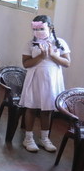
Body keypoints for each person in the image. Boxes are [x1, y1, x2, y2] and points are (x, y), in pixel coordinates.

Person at [19, 15, 70, 153]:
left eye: (42, 28)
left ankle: (44, 138)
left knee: (47, 110)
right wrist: (41, 56)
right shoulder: (30, 44)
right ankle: (28, 138)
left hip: (51, 80)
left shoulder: (59, 43)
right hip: (35, 78)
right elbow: (26, 63)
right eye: (35, 29)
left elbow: (66, 63)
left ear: (50, 27)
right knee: (31, 107)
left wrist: (52, 55)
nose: (38, 31)